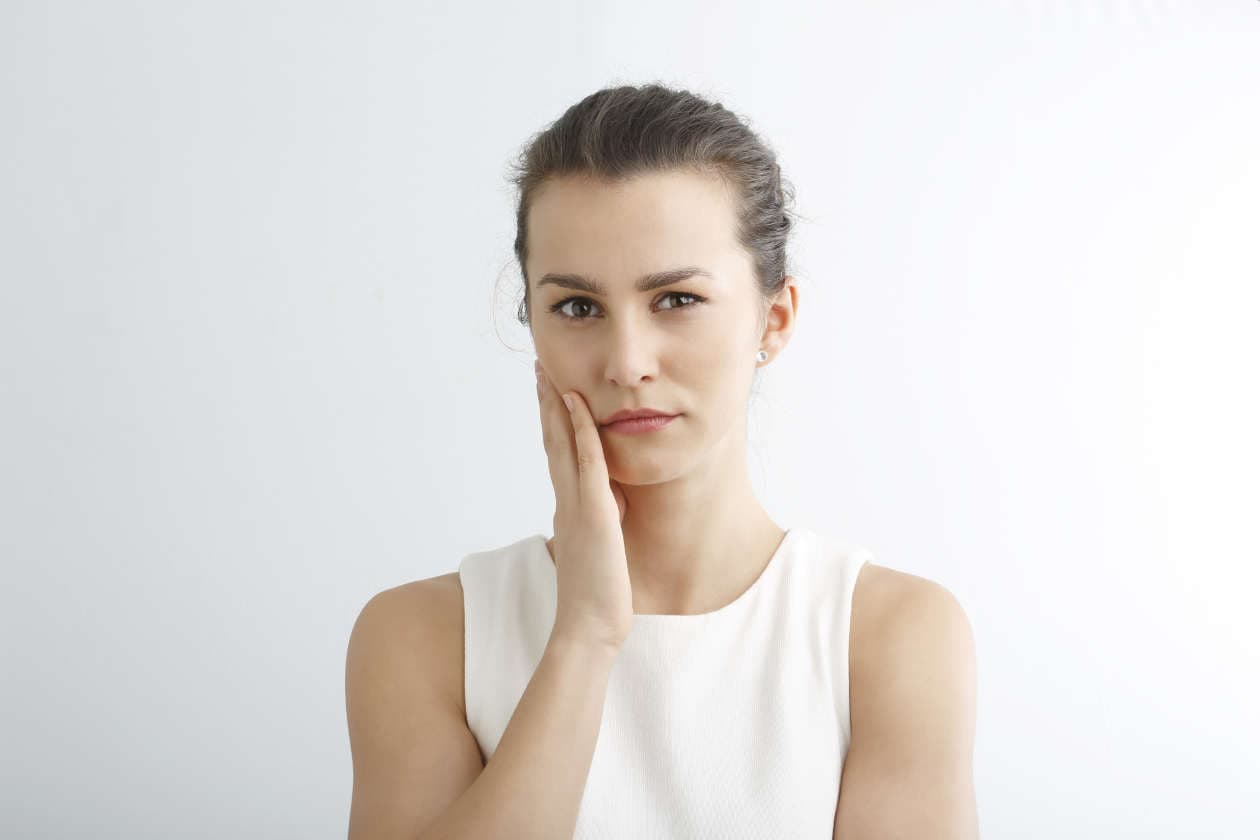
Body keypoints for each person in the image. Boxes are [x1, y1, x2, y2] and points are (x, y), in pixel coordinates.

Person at [345, 82, 979, 839]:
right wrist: (584, 635)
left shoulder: (887, 634)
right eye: (578, 307)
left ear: (773, 320)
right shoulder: (425, 637)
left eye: (676, 299)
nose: (627, 362)